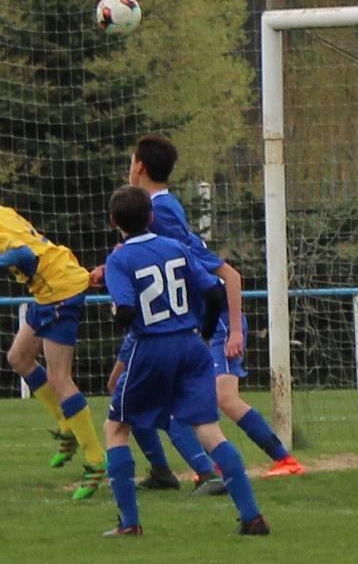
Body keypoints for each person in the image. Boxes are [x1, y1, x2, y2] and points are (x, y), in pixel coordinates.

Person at [92, 135, 304, 493]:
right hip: (173, 325)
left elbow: (226, 274)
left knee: (200, 400)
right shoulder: (159, 214)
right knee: (123, 387)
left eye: (131, 161)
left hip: (203, 322)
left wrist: (234, 329)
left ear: (139, 166)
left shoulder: (163, 213)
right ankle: (168, 471)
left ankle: (235, 468)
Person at [101, 185, 269, 537]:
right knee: (209, 429)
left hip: (151, 347)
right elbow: (212, 291)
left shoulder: (119, 259)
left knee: (116, 428)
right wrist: (206, 333)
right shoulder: (176, 247)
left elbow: (127, 310)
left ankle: (129, 523)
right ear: (151, 217)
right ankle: (251, 515)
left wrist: (119, 310)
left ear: (115, 222)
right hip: (191, 345)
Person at [0, 170, 106, 500]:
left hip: (59, 291)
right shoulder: (1, 212)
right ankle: (66, 426)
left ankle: (95, 461)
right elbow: (24, 251)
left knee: (61, 379)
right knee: (19, 357)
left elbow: (23, 255)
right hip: (49, 289)